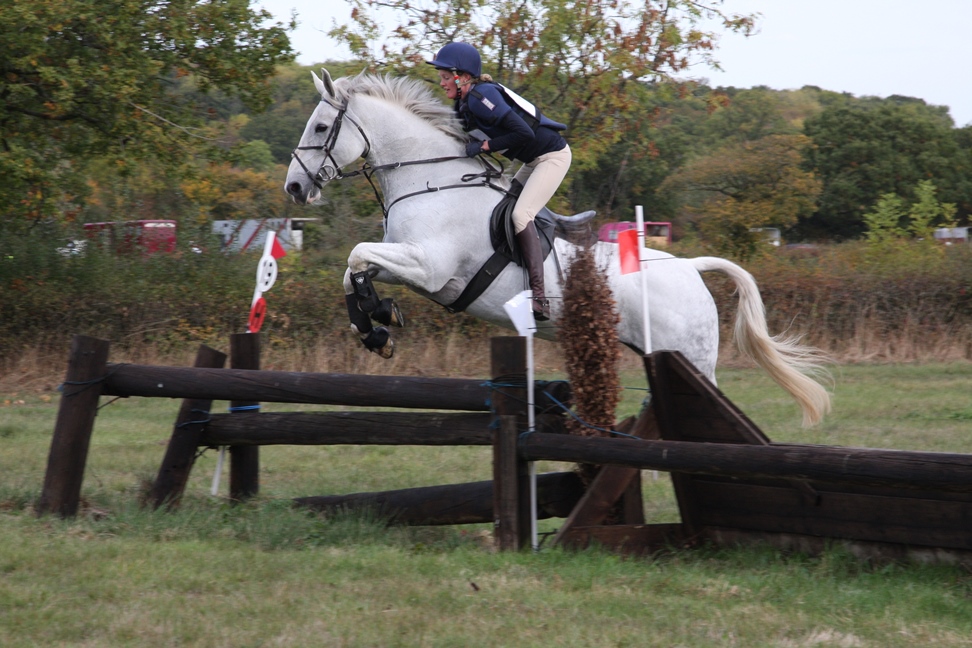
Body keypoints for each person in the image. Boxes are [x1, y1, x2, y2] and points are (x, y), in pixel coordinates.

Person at [427, 42, 571, 321]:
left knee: (520, 215)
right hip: (533, 161)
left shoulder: (481, 97)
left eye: (445, 77)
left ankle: (539, 297)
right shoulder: (463, 104)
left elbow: (524, 134)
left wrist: (484, 147)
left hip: (552, 157)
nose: (441, 83)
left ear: (462, 77)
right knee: (501, 205)